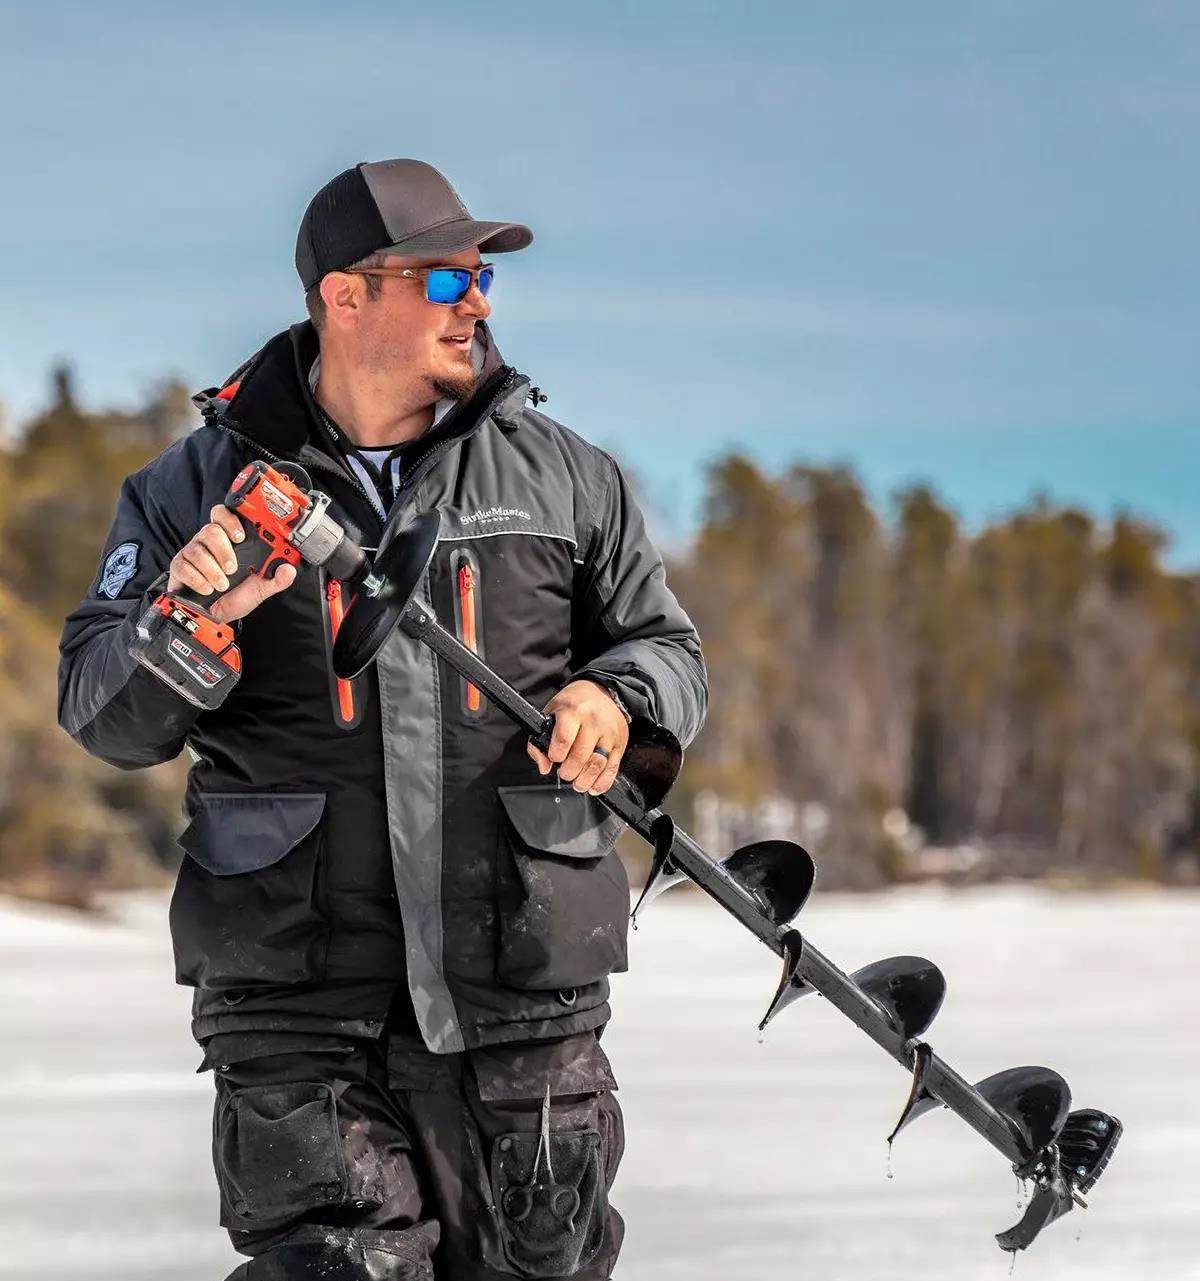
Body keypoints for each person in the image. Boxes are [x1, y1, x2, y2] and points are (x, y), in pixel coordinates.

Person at [57, 158, 708, 1280]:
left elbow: (670, 651)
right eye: (447, 278)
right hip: (299, 1007)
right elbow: (104, 715)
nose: (481, 301)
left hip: (523, 1003)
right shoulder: (189, 492)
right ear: (346, 296)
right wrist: (190, 623)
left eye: (482, 278)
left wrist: (619, 696)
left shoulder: (564, 479)